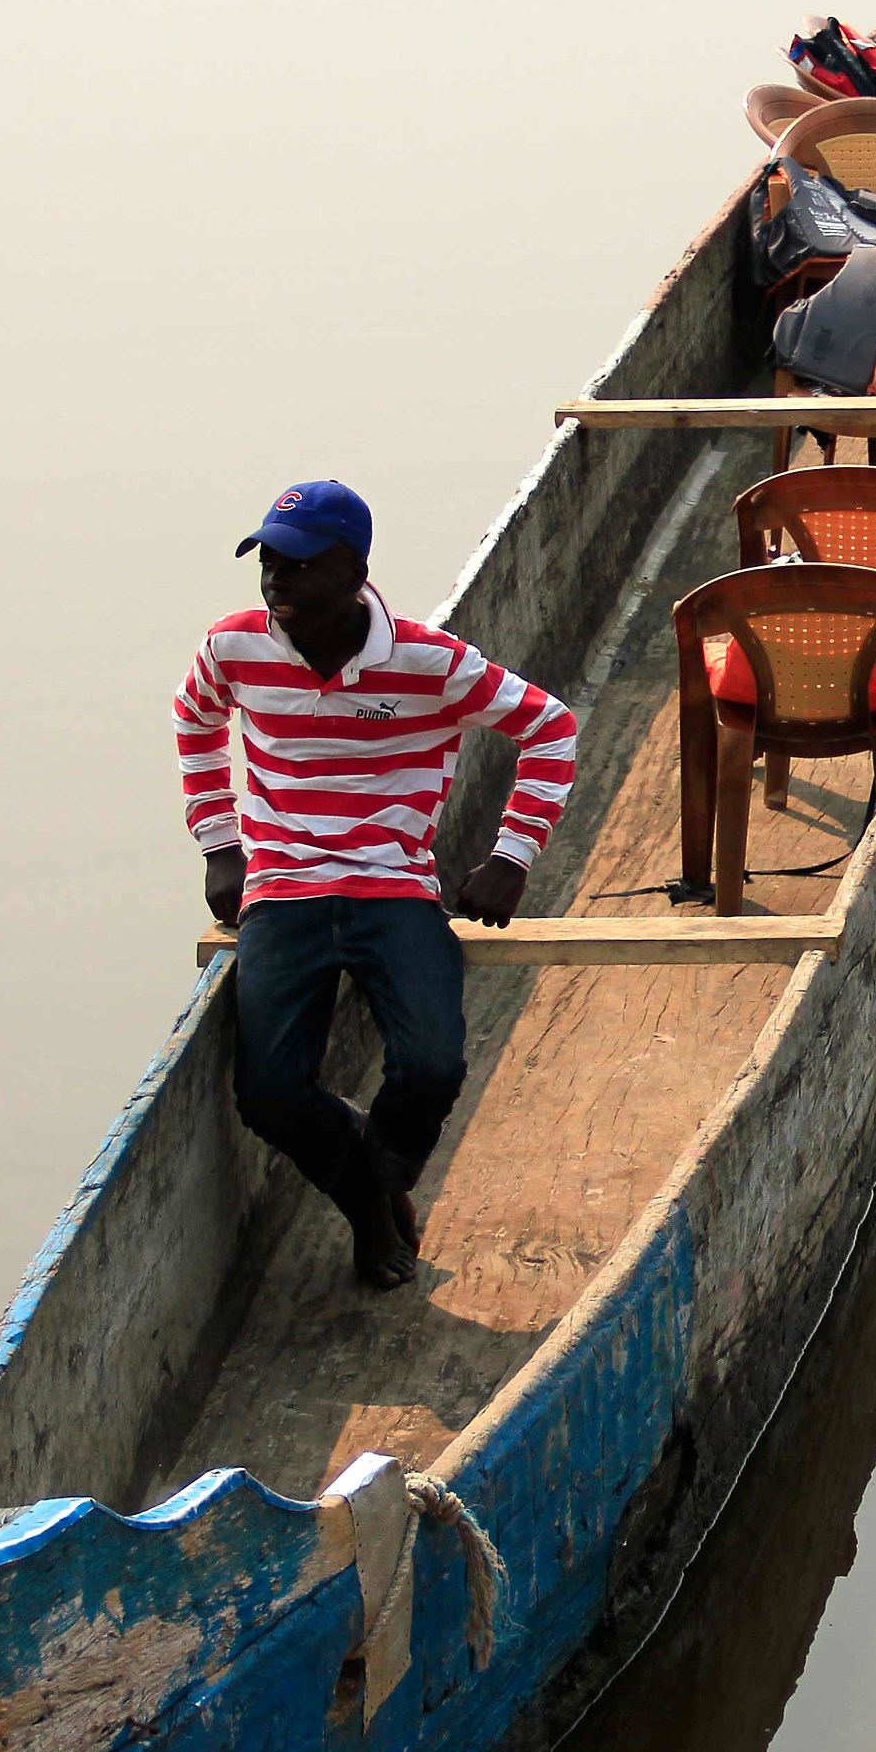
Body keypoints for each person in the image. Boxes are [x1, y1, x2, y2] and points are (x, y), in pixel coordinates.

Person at [175, 479, 578, 1291]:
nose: (275, 582)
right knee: (268, 1093)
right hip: (283, 889)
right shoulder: (235, 647)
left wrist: (511, 856)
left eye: (296, 565)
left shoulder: (430, 662)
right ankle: (372, 1202)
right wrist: (222, 844)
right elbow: (195, 719)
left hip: (392, 886)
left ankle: (379, 1177)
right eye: (267, 563)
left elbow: (551, 727)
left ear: (352, 567)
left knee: (431, 1067)